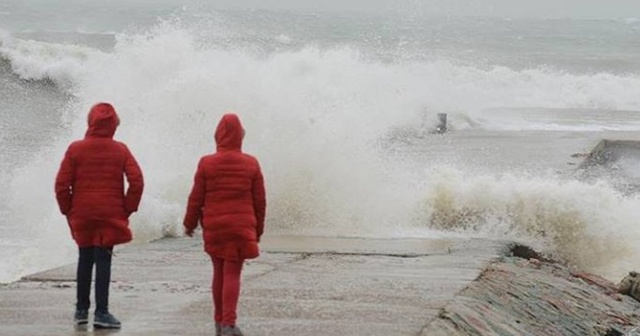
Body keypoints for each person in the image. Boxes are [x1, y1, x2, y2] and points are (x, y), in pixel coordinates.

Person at [54, 102, 144, 329]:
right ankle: (102, 312)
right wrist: (128, 208)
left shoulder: (75, 149)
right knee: (103, 259)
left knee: (84, 258)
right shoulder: (120, 149)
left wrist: (68, 210)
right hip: (110, 213)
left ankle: (81, 310)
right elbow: (137, 181)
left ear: (90, 122)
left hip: (82, 214)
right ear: (113, 125)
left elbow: (61, 185)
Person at [184, 113, 266, 336]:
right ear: (240, 136)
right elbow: (260, 201)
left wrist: (189, 224)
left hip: (215, 228)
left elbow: (196, 198)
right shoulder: (251, 163)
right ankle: (229, 323)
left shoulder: (206, 163)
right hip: (241, 229)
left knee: (218, 273)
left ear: (218, 135)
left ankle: (219, 322)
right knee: (232, 273)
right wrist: (257, 230)